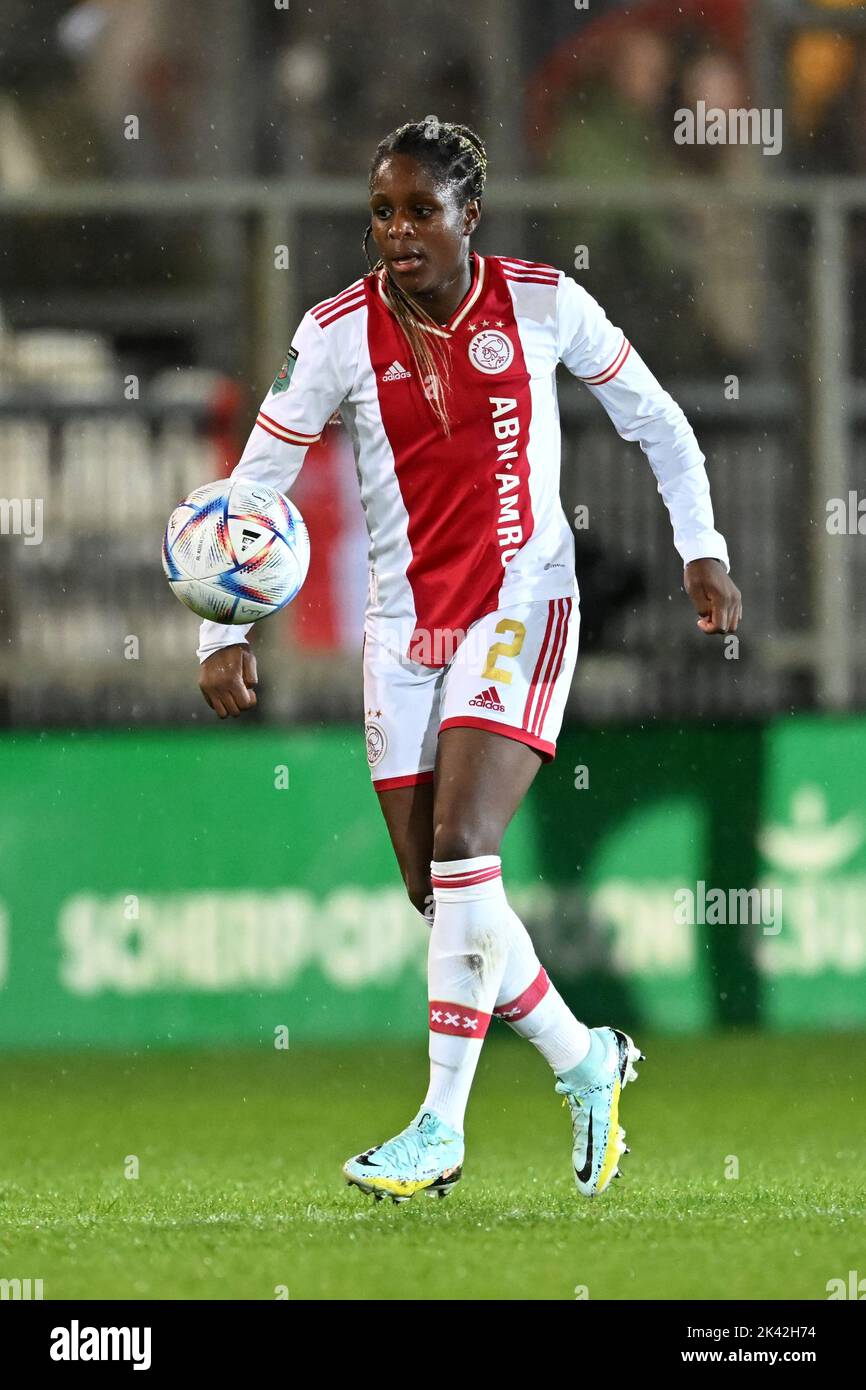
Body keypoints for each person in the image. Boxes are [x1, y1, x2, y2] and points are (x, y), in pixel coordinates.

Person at [197, 118, 742, 1204]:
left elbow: (657, 420)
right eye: (382, 213)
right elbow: (257, 477)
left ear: (468, 216)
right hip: (403, 631)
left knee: (461, 844)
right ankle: (585, 1059)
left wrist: (701, 547)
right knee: (438, 888)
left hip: (521, 604)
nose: (397, 234)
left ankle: (438, 1127)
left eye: (419, 211)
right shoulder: (337, 332)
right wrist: (221, 627)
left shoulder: (542, 303)